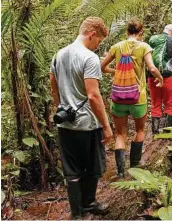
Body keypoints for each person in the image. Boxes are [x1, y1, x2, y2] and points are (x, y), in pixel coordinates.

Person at [49, 17, 113, 219]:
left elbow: (53, 86)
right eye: (99, 41)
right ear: (92, 35)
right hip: (87, 123)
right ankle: (89, 203)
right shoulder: (89, 58)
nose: (98, 45)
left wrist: (60, 105)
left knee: (72, 169)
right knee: (93, 165)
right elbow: (93, 95)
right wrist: (106, 125)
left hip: (65, 123)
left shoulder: (59, 55)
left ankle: (76, 213)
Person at [101, 18, 163, 178]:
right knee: (140, 130)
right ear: (141, 33)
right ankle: (135, 164)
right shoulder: (144, 47)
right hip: (138, 98)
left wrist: (116, 72)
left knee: (120, 134)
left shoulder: (117, 47)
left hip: (118, 97)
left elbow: (101, 67)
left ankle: (120, 172)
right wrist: (160, 78)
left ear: (127, 32)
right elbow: (151, 67)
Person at [148, 24, 172, 134]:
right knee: (170, 102)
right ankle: (167, 131)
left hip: (152, 75)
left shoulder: (152, 39)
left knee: (155, 102)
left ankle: (155, 130)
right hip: (167, 75)